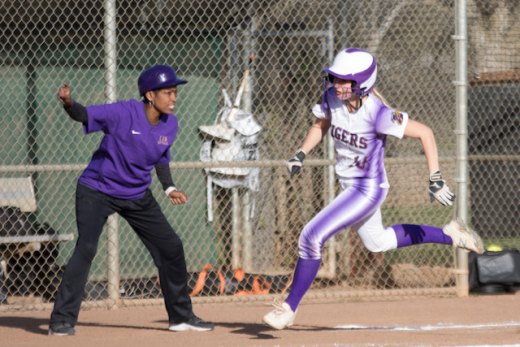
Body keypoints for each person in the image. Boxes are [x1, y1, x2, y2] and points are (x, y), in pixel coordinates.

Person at [262, 48, 485, 330]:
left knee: (311, 236)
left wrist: (435, 177)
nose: (337, 85)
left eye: (345, 81)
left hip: (367, 189)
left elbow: (426, 133)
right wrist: (301, 152)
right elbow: (322, 124)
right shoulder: (332, 98)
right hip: (349, 186)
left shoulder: (378, 113)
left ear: (363, 83)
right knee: (377, 242)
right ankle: (451, 234)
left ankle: (288, 308)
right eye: (334, 78)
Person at [48, 65, 214, 335]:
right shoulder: (124, 112)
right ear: (150, 95)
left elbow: (160, 157)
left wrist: (169, 187)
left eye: (175, 92)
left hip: (136, 194)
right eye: (168, 92)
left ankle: (181, 317)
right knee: (86, 249)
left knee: (171, 247)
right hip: (97, 190)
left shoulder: (170, 123)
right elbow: (84, 115)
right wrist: (69, 103)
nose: (174, 98)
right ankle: (61, 320)